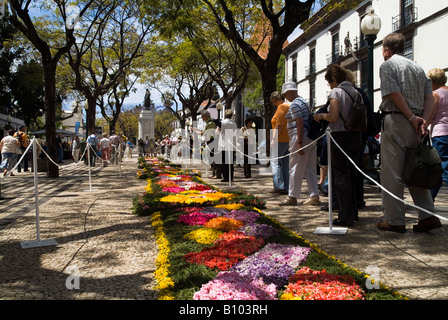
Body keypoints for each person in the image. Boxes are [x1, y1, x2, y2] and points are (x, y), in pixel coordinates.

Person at [378, 32, 441, 233]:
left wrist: (412, 118)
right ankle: (428, 215)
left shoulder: (387, 65)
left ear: (386, 50)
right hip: (417, 123)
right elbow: (430, 97)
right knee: (416, 169)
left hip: (397, 119)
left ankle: (395, 220)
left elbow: (394, 94)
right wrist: (424, 120)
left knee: (392, 173)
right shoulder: (418, 67)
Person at [313, 65, 362, 225]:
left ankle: (345, 216)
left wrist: (321, 115)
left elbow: (333, 116)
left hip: (339, 136)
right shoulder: (356, 92)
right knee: (352, 174)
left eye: (329, 83)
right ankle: (353, 212)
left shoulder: (336, 92)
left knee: (340, 175)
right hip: (355, 134)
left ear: (334, 80)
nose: (330, 86)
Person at [280, 82, 319, 206]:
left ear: (290, 92)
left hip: (299, 136)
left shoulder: (295, 104)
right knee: (309, 168)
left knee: (295, 167)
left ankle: (292, 196)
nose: (286, 97)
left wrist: (299, 143)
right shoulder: (303, 102)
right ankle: (314, 195)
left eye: (286, 94)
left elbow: (299, 123)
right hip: (310, 138)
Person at [426, 68, 448, 200]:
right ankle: (429, 200)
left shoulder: (436, 94)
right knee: (440, 169)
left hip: (440, 134)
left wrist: (424, 126)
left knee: (442, 167)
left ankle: (428, 202)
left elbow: (430, 115)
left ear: (433, 81)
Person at [270, 91, 290, 194]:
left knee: (275, 162)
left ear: (276, 99)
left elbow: (279, 126)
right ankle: (287, 187)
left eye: (273, 101)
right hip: (288, 138)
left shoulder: (281, 108)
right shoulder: (288, 106)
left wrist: (273, 139)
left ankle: (279, 186)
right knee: (286, 163)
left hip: (280, 139)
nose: (273, 104)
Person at [220, 109, 237, 182]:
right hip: (232, 144)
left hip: (224, 144)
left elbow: (218, 131)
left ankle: (225, 177)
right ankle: (231, 177)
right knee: (230, 162)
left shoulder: (222, 123)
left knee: (224, 162)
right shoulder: (234, 123)